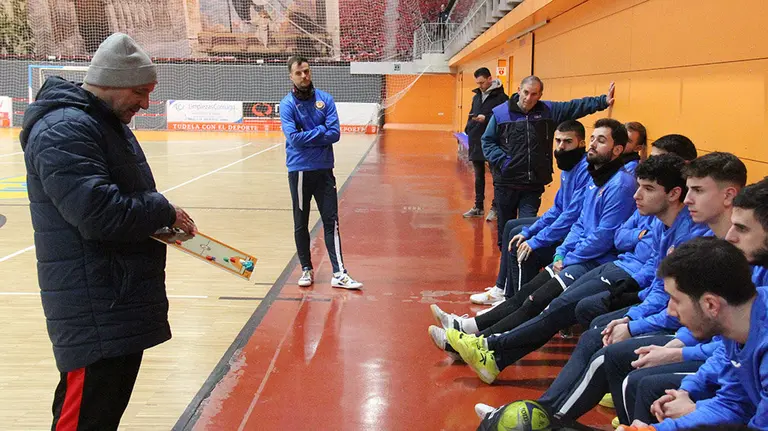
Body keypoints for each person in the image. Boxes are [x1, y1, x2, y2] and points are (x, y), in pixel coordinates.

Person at [19, 33, 197, 430]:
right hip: (93, 311)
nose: (146, 103)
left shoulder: (101, 123)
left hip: (111, 301)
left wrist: (159, 213)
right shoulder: (63, 130)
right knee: (82, 420)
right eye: (140, 91)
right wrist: (161, 208)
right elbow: (99, 213)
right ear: (113, 83)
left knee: (100, 417)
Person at [431, 119, 637, 365]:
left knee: (535, 302)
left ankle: (475, 344)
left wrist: (566, 256)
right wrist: (561, 253)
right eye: (593, 138)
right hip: (577, 257)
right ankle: (467, 326)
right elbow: (580, 223)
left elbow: (603, 237)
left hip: (594, 262)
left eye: (601, 140)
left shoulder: (621, 185)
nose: (593, 144)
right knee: (526, 295)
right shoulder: (597, 178)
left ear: (617, 150)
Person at [617, 177, 768, 425]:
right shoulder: (741, 317)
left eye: (741, 228)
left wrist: (692, 407)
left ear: (711, 304)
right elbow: (733, 398)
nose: (730, 236)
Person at [478, 76, 614, 296]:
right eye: (525, 93)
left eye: (534, 94)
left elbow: (574, 107)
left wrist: (602, 101)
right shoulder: (501, 113)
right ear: (518, 90)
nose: (529, 98)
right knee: (507, 229)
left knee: (520, 232)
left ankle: (511, 295)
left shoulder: (548, 111)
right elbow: (487, 141)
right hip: (507, 181)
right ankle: (502, 286)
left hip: (533, 182)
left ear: (540, 95)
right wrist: (504, 161)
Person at [469, 120, 590, 305]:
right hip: (565, 225)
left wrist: (537, 239)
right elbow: (558, 208)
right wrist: (530, 231)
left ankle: (513, 303)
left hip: (572, 233)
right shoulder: (569, 167)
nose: (561, 147)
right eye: (558, 141)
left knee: (520, 242)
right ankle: (502, 289)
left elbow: (571, 216)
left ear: (581, 143)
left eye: (567, 142)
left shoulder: (585, 170)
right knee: (513, 227)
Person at [279, 55, 362, 289]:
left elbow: (334, 133)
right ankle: (306, 268)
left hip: (325, 170)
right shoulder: (287, 104)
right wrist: (320, 131)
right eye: (299, 73)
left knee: (331, 221)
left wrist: (311, 133)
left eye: (307, 71)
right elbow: (294, 140)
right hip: (300, 171)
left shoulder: (325, 99)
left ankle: (339, 273)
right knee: (300, 222)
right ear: (291, 76)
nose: (304, 76)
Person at [463, 67, 507, 220]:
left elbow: (503, 118)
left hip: (492, 141)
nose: (480, 86)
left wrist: (486, 118)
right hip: (476, 139)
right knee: (478, 176)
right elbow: (471, 113)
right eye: (478, 83)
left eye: (482, 82)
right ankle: (478, 206)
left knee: (496, 176)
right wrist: (468, 128)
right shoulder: (476, 97)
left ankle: (496, 207)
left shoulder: (502, 98)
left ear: (490, 79)